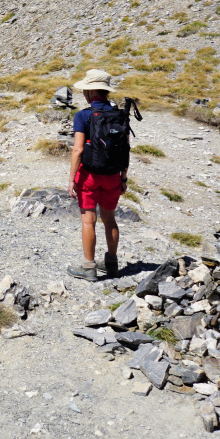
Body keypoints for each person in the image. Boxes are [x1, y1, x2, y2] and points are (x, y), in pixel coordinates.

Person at [65, 69, 126, 281]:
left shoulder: (83, 115)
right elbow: (125, 149)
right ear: (106, 92)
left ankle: (89, 267)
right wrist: (123, 177)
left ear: (89, 93)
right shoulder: (119, 115)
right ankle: (111, 264)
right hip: (112, 175)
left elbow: (78, 150)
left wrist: (72, 179)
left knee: (88, 220)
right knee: (110, 220)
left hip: (89, 175)